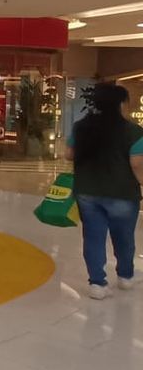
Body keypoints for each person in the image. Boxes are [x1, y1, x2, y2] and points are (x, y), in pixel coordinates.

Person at [66, 82, 141, 299]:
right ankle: (125, 276)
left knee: (93, 236)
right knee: (124, 237)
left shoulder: (81, 127)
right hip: (122, 193)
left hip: (87, 191)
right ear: (119, 104)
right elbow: (137, 165)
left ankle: (97, 284)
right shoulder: (133, 131)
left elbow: (69, 155)